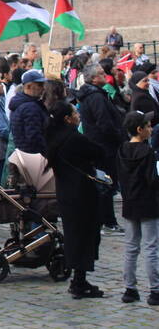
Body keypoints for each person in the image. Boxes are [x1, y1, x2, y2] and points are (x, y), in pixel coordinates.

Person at [46, 100, 107, 299]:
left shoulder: (53, 137)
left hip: (66, 192)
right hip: (82, 194)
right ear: (67, 118)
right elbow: (99, 152)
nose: (78, 115)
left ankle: (79, 279)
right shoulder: (74, 138)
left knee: (75, 236)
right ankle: (79, 281)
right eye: (75, 113)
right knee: (84, 236)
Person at [117, 111, 159, 305]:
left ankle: (130, 288)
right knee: (151, 247)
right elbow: (152, 180)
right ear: (139, 129)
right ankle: (155, 290)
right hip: (148, 202)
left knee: (131, 247)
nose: (151, 129)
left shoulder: (122, 149)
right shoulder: (147, 152)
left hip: (130, 202)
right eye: (148, 126)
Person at [77, 66, 126, 235]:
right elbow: (104, 123)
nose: (105, 75)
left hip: (100, 145)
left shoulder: (94, 94)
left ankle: (104, 219)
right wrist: (119, 137)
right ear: (93, 78)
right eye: (101, 74)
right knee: (106, 184)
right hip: (103, 147)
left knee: (105, 184)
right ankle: (107, 221)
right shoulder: (95, 97)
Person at [9, 70, 49, 155]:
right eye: (39, 85)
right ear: (28, 86)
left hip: (23, 153)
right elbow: (34, 137)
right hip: (33, 155)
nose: (43, 88)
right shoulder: (30, 107)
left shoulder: (21, 103)